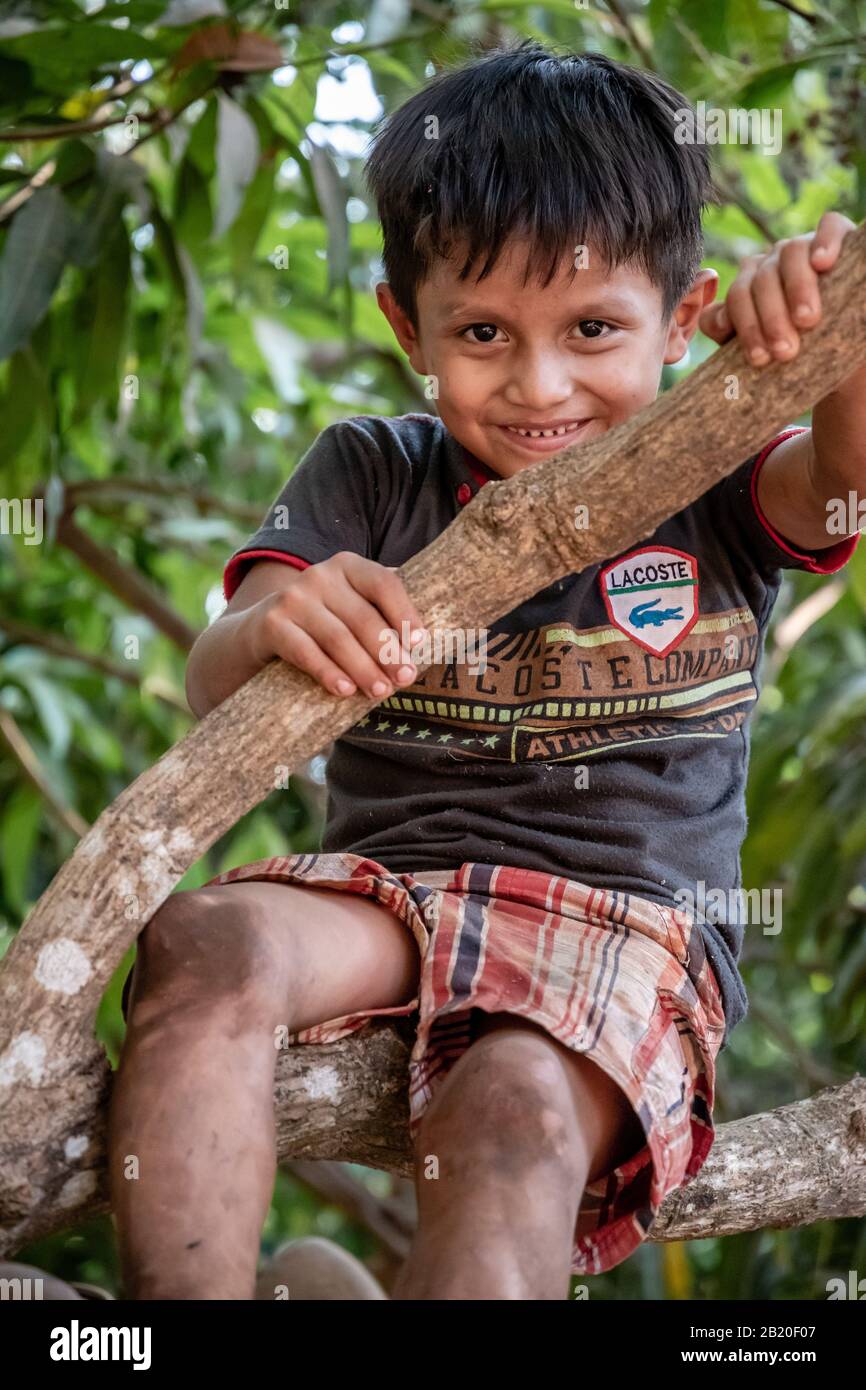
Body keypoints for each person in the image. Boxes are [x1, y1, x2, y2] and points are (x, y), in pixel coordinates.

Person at [108, 42, 862, 1300]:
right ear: (409, 327)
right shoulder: (369, 472)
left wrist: (835, 327)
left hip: (626, 926)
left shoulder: (715, 476)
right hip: (385, 902)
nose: (537, 383)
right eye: (480, 332)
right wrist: (279, 624)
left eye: (590, 328)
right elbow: (218, 677)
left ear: (684, 317)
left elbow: (843, 485)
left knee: (511, 1094)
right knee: (204, 937)